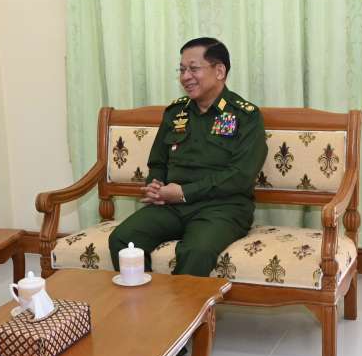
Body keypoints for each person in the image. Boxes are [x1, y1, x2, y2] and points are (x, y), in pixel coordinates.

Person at [108, 37, 268, 277]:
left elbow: (241, 176)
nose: (185, 77)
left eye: (193, 69)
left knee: (196, 251)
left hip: (223, 208)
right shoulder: (176, 112)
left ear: (219, 71)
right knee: (123, 239)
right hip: (172, 206)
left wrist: (184, 192)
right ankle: (147, 299)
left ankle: (181, 304)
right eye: (182, 70)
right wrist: (156, 185)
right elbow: (158, 161)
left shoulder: (245, 116)